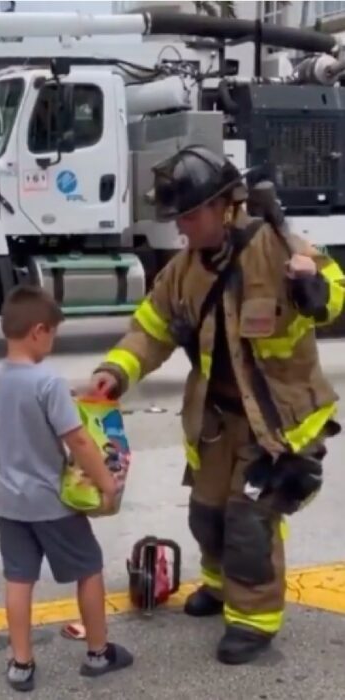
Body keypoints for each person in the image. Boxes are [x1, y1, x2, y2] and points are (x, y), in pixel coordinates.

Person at [89, 145, 344, 665]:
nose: (183, 226)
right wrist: (114, 372)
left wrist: (311, 285)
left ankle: (253, 620)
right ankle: (221, 585)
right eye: (178, 216)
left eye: (191, 213)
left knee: (250, 521)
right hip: (218, 418)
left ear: (227, 205)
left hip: (277, 421)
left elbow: (333, 297)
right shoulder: (185, 271)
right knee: (207, 514)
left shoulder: (276, 247)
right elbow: (150, 329)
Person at [0, 285, 134, 692]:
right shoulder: (47, 383)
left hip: (9, 502)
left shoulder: (1, 379)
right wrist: (106, 483)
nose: (52, 342)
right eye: (52, 333)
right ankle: (98, 652)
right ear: (38, 331)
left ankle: (20, 663)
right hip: (51, 503)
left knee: (19, 579)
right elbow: (80, 441)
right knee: (88, 568)